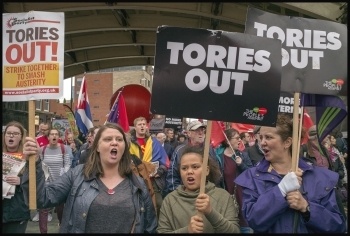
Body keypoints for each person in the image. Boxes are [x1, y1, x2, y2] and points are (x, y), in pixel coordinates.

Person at [22, 123, 158, 233]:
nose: (114, 143)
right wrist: (34, 163)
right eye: (108, 139)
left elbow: (150, 227)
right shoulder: (77, 175)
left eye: (119, 139)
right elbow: (43, 198)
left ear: (124, 147)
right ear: (97, 147)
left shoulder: (137, 184)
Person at [235, 114, 346, 233]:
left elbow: (338, 225)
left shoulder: (318, 177)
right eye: (260, 137)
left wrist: (307, 208)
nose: (262, 143)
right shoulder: (252, 177)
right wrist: (281, 190)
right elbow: (253, 220)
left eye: (268, 137)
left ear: (287, 142)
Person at [157, 146, 240, 233]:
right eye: (184, 168)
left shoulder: (223, 196)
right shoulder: (170, 200)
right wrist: (187, 230)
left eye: (195, 167)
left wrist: (210, 212)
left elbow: (234, 231)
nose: (189, 172)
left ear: (207, 170)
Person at [163, 120, 218, 197]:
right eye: (197, 130)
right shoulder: (179, 150)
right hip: (185, 196)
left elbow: (217, 174)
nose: (201, 133)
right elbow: (172, 176)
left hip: (207, 195)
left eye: (202, 130)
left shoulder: (209, 149)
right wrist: (179, 196)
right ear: (189, 133)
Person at [214, 128, 253, 233]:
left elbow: (251, 174)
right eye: (236, 138)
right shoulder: (218, 156)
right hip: (226, 199)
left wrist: (242, 165)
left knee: (244, 227)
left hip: (242, 198)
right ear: (228, 141)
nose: (239, 140)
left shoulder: (243, 155)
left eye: (240, 138)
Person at [129, 117, 169, 217]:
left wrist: (159, 171)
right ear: (135, 127)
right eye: (139, 124)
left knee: (159, 204)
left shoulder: (154, 142)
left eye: (144, 124)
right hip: (135, 180)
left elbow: (166, 161)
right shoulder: (129, 143)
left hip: (153, 180)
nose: (142, 126)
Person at [37, 128, 72, 233]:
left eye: (56, 134)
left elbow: (67, 164)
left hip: (60, 184)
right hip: (46, 183)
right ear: (48, 137)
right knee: (43, 209)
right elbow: (40, 164)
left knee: (60, 208)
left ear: (59, 137)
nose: (54, 136)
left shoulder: (63, 148)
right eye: (52, 134)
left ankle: (62, 227)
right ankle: (43, 232)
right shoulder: (42, 150)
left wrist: (63, 177)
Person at [2, 121, 31, 233]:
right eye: (8, 133)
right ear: (4, 136)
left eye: (15, 133)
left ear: (21, 137)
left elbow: (38, 182)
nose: (11, 135)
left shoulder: (29, 157)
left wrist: (21, 180)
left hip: (18, 211)